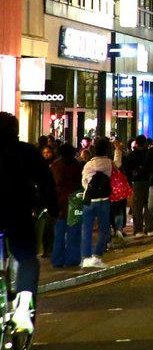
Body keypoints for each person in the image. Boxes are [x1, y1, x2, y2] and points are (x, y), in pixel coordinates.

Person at [0, 112, 57, 333]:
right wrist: (52, 208)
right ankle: (23, 308)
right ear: (16, 131)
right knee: (27, 259)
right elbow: (46, 181)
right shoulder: (26, 151)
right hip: (17, 213)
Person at [79, 136, 114, 269]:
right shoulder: (108, 163)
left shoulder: (88, 164)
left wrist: (89, 188)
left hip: (89, 200)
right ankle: (97, 257)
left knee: (86, 229)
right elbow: (117, 164)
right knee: (103, 229)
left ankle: (86, 258)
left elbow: (84, 182)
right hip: (103, 200)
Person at [49, 143, 82, 268]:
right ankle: (72, 259)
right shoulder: (76, 165)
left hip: (60, 202)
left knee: (59, 233)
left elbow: (52, 184)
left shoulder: (55, 166)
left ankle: (57, 259)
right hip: (74, 201)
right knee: (74, 232)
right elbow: (79, 183)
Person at [124, 135, 151, 236]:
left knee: (137, 207)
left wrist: (129, 181)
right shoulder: (148, 154)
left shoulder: (131, 155)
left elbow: (127, 170)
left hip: (136, 182)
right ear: (145, 143)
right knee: (148, 206)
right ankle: (149, 228)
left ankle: (138, 229)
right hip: (147, 181)